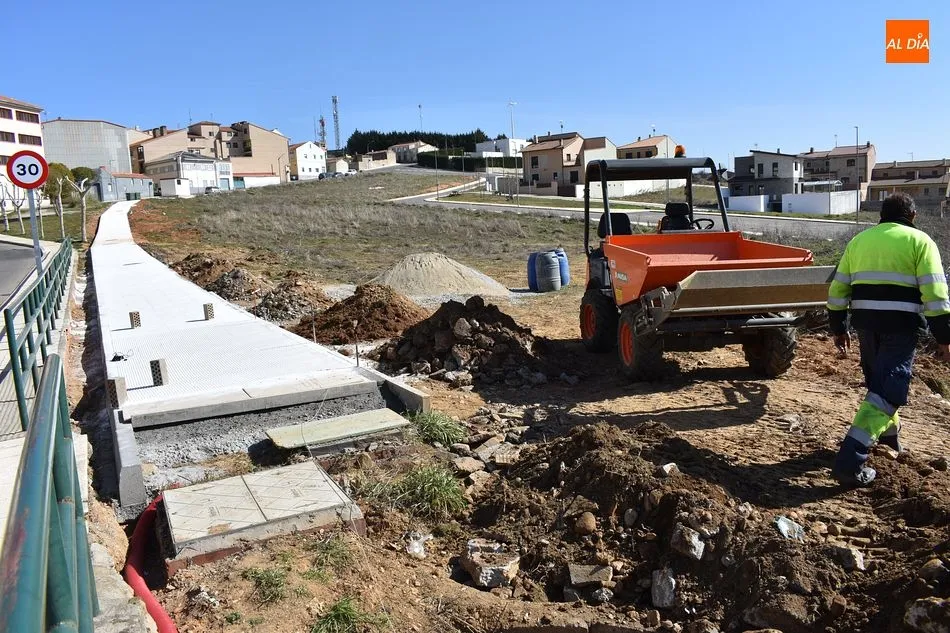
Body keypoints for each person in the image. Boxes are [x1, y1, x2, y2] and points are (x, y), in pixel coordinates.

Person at [827, 192, 950, 486]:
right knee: (888, 391)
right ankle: (850, 460)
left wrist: (838, 327)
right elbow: (935, 295)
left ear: (880, 215)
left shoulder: (859, 241)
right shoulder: (920, 242)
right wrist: (944, 336)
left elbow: (838, 289)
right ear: (913, 216)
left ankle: (889, 442)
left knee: (878, 386)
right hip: (900, 327)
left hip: (865, 326)